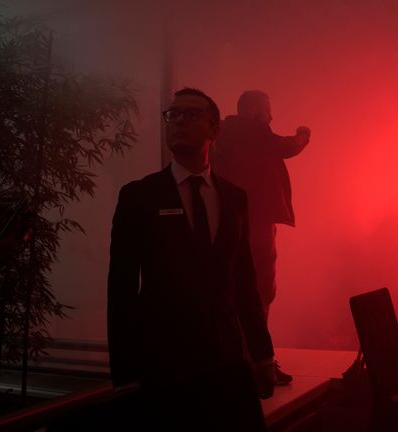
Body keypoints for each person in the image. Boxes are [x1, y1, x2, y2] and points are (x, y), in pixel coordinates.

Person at [107, 88, 275, 430]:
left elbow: (244, 282)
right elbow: (121, 290)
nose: (179, 120)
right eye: (173, 114)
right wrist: (123, 375)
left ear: (215, 130)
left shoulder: (233, 198)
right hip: (165, 365)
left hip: (226, 362)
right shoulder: (140, 196)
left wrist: (262, 352)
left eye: (191, 114)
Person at [212, 90, 310, 384]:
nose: (271, 116)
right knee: (261, 289)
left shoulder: (222, 135)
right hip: (257, 223)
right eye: (268, 110)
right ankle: (258, 360)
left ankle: (241, 358)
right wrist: (304, 134)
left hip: (231, 222)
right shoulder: (254, 132)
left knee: (237, 289)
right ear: (254, 110)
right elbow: (288, 146)